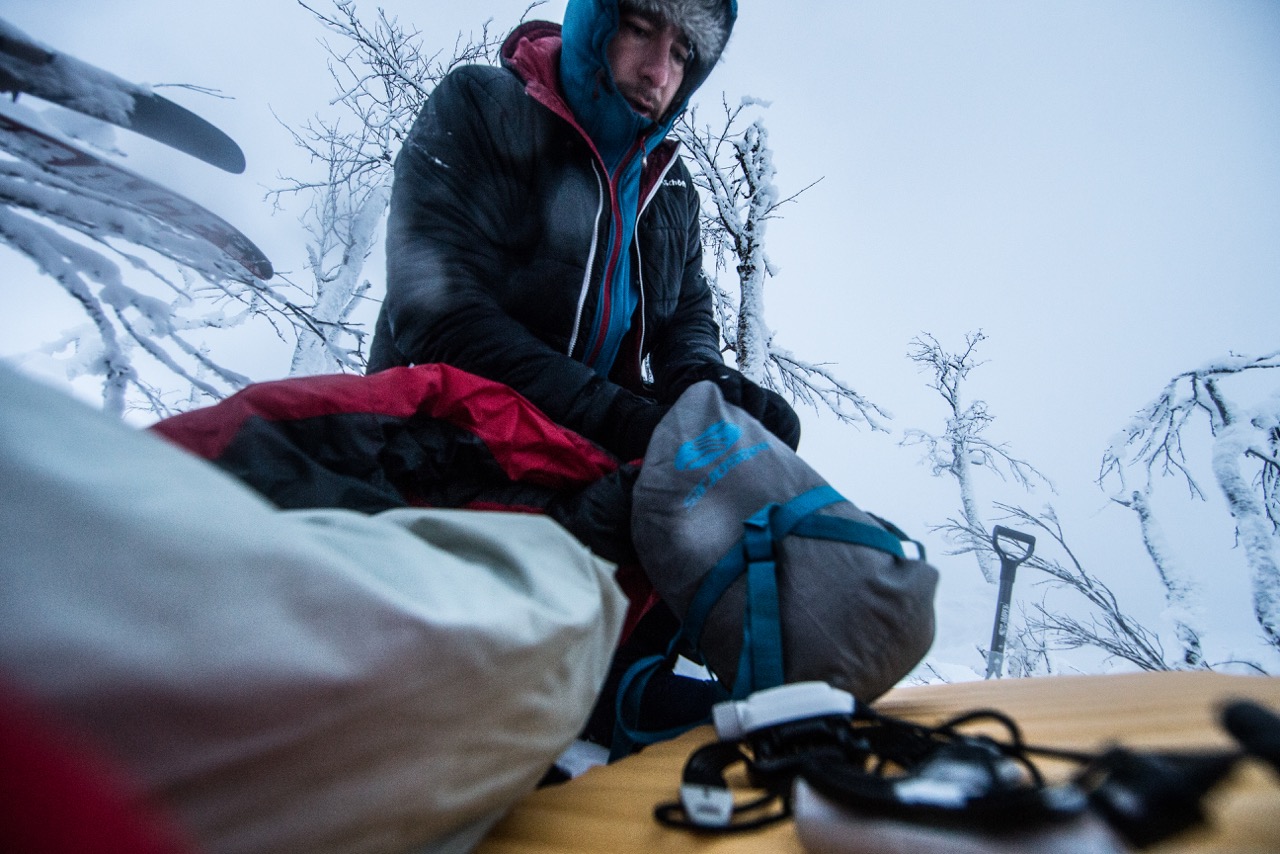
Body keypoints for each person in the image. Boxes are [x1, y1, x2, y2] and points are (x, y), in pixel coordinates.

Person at [368, 0, 800, 461]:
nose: (658, 73)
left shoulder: (670, 186)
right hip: (439, 440)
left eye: (680, 53)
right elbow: (437, 314)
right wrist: (616, 417)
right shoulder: (484, 106)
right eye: (638, 29)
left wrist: (703, 380)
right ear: (595, 23)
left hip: (582, 456)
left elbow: (685, 315)